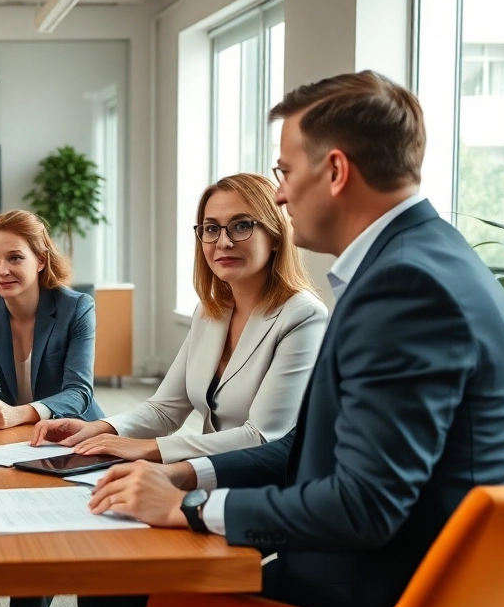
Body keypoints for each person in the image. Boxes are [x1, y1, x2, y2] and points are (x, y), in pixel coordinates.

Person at [78, 71, 504, 607]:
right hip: (420, 578)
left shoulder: (403, 287)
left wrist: (191, 508)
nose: (282, 194)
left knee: (116, 583)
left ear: (336, 171)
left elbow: (365, 506)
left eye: (286, 171)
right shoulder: (425, 258)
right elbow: (308, 446)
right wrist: (185, 474)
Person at [32, 172, 326, 464]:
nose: (223, 242)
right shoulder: (210, 311)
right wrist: (99, 428)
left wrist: (148, 449)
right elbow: (165, 409)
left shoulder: (302, 315)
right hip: (209, 475)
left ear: (275, 237)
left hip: (268, 482)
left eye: (241, 226)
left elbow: (260, 437)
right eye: (211, 228)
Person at [0, 209, 104, 607]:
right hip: (5, 435)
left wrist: (23, 413)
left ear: (41, 259)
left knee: (43, 511)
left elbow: (79, 391)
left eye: (14, 257)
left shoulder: (75, 307)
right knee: (5, 509)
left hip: (72, 432)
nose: (2, 270)